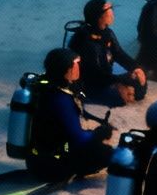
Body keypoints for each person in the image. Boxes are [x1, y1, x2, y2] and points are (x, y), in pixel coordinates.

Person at [25, 48, 114, 181]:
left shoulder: (46, 87)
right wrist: (98, 134)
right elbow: (78, 137)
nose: (79, 67)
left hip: (37, 159)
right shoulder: (60, 98)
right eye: (76, 63)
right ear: (66, 69)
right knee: (106, 152)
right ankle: (71, 171)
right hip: (53, 165)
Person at [68, 0, 148, 107]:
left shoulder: (107, 33)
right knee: (120, 98)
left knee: (139, 84)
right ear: (99, 17)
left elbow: (119, 54)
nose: (112, 13)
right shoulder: (85, 41)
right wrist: (119, 81)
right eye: (109, 10)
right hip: (90, 83)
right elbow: (95, 75)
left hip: (106, 74)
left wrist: (136, 68)